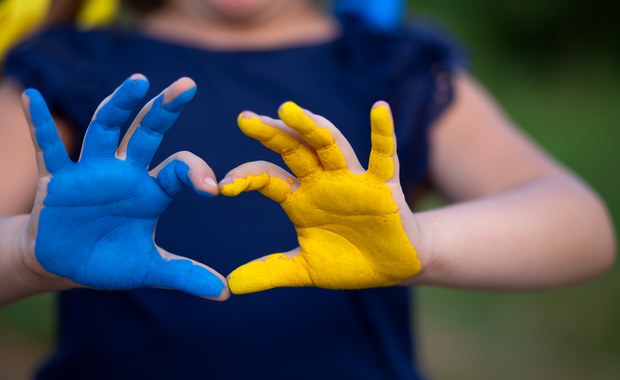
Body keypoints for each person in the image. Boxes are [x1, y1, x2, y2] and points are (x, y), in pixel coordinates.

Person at [0, 0, 615, 379]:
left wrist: (424, 242)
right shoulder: (65, 67)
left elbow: (580, 225)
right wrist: (28, 255)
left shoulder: (392, 67)